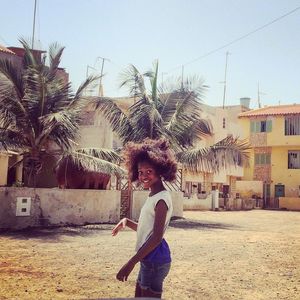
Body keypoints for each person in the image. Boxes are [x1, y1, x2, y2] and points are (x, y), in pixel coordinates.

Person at [112, 138, 177, 298]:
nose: (144, 176)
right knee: (139, 295)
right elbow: (147, 229)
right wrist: (127, 222)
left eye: (149, 171)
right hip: (149, 258)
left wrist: (130, 263)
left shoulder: (161, 199)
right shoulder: (153, 195)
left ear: (161, 170)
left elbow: (156, 237)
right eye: (140, 172)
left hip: (155, 260)